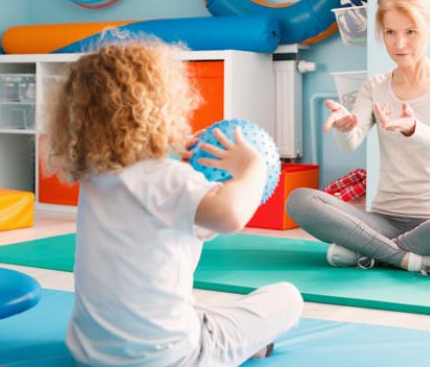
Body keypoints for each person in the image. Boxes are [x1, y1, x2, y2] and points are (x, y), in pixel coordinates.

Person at [44, 36, 303, 366]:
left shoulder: (96, 177)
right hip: (171, 358)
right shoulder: (169, 179)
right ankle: (241, 346)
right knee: (286, 297)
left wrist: (177, 167)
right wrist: (252, 166)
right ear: (162, 108)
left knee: (200, 309)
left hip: (90, 350)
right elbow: (230, 216)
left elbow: (161, 211)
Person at [287, 0, 430, 277]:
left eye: (411, 32)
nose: (400, 44)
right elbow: (350, 143)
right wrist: (346, 127)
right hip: (384, 219)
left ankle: (368, 252)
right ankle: (412, 260)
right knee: (300, 200)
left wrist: (414, 128)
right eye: (390, 32)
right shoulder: (375, 86)